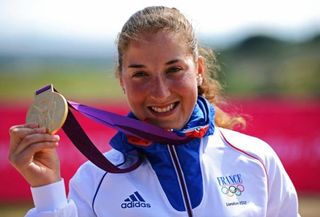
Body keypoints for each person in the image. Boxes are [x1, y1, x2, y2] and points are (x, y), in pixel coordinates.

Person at [8, 6, 300, 217]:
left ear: (198, 70)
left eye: (174, 70)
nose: (160, 92)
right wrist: (47, 191)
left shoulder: (256, 160)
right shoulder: (95, 181)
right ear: (121, 80)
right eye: (140, 74)